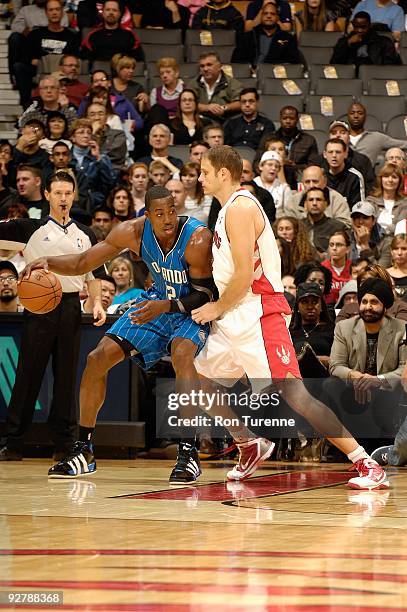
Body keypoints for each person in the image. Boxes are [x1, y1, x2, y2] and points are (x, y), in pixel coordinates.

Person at [191, 145, 389, 489]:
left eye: (204, 171)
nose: (200, 177)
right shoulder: (225, 210)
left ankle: (365, 463)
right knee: (198, 381)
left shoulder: (239, 208)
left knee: (296, 395)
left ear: (223, 173)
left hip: (258, 313)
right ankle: (249, 443)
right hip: (234, 317)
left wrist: (214, 308)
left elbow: (242, 277)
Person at [22, 185, 214, 483]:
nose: (167, 220)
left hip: (192, 309)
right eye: (159, 214)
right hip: (155, 302)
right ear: (146, 215)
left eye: (172, 212)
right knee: (97, 358)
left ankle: (188, 451)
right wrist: (49, 261)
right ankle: (84, 448)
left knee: (181, 353)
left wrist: (167, 306)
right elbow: (83, 263)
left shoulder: (197, 238)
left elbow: (205, 293)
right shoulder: (131, 232)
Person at [0, 171, 105, 462]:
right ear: (46, 195)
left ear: (74, 195)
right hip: (38, 307)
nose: (62, 198)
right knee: (28, 374)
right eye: (57, 193)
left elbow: (94, 274)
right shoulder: (28, 228)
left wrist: (96, 302)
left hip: (71, 305)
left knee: (66, 376)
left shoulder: (87, 233)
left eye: (67, 193)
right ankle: (13, 441)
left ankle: (64, 443)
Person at [326, 277, 406, 454]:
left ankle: (385, 449)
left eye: (374, 302)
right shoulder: (344, 327)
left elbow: (404, 368)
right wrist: (356, 376)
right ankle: (341, 448)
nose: (368, 307)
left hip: (386, 389)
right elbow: (336, 365)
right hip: (354, 387)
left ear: (385, 306)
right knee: (330, 384)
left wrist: (377, 380)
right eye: (364, 301)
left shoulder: (401, 329)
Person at [282, 165, 351, 228]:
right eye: (307, 182)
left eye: (315, 181)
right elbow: (288, 226)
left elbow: (346, 226)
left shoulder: (337, 199)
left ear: (325, 182)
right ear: (302, 183)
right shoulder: (293, 201)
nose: (311, 185)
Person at [232, 3, 301, 65]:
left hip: (276, 74)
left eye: (272, 14)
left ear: (277, 18)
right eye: (265, 13)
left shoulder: (288, 38)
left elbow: (293, 61)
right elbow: (236, 60)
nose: (269, 16)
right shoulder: (248, 37)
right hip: (251, 74)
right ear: (260, 16)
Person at [256, 106, 318, 174]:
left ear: (297, 120)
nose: (288, 121)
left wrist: (293, 166)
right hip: (272, 175)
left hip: (299, 177)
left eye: (291, 118)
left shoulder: (308, 140)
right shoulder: (268, 138)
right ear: (280, 119)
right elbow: (257, 163)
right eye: (284, 118)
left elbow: (313, 166)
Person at [186, 52, 242, 123]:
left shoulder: (233, 83)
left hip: (225, 121)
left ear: (219, 66)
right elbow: (185, 103)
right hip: (199, 122)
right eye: (202, 66)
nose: (205, 69)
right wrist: (207, 107)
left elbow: (240, 102)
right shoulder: (193, 84)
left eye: (209, 65)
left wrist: (223, 108)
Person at [331, 11, 402, 66]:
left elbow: (390, 66)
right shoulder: (345, 41)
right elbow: (334, 62)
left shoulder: (384, 42)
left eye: (363, 27)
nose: (359, 30)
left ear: (370, 25)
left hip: (375, 75)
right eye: (356, 27)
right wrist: (347, 43)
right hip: (352, 77)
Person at [322, 138, 365, 209]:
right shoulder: (320, 175)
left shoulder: (355, 176)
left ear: (345, 154)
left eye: (338, 152)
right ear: (324, 154)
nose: (334, 155)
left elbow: (359, 208)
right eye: (330, 152)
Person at [302, 186, 346, 254]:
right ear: (305, 204)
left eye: (318, 199)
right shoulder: (298, 226)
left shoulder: (338, 227)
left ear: (326, 204)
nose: (314, 203)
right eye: (311, 200)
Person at [367, 163, 407, 236]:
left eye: (394, 177)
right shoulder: (370, 201)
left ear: (400, 181)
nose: (390, 180)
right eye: (386, 176)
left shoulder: (405, 203)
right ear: (381, 179)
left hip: (396, 243)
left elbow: (401, 228)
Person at [350, 200, 392, 267]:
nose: (361, 222)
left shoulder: (386, 242)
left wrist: (365, 245)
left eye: (365, 217)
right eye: (357, 217)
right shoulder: (344, 239)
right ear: (352, 221)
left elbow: (380, 273)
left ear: (373, 221)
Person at [321, 229, 352, 305]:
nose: (334, 248)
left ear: (348, 249)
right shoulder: (321, 269)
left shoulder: (354, 268)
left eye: (339, 245)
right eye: (331, 245)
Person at [386, 234, 407, 299]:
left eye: (404, 249)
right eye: (396, 248)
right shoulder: (384, 274)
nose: (399, 253)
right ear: (391, 251)